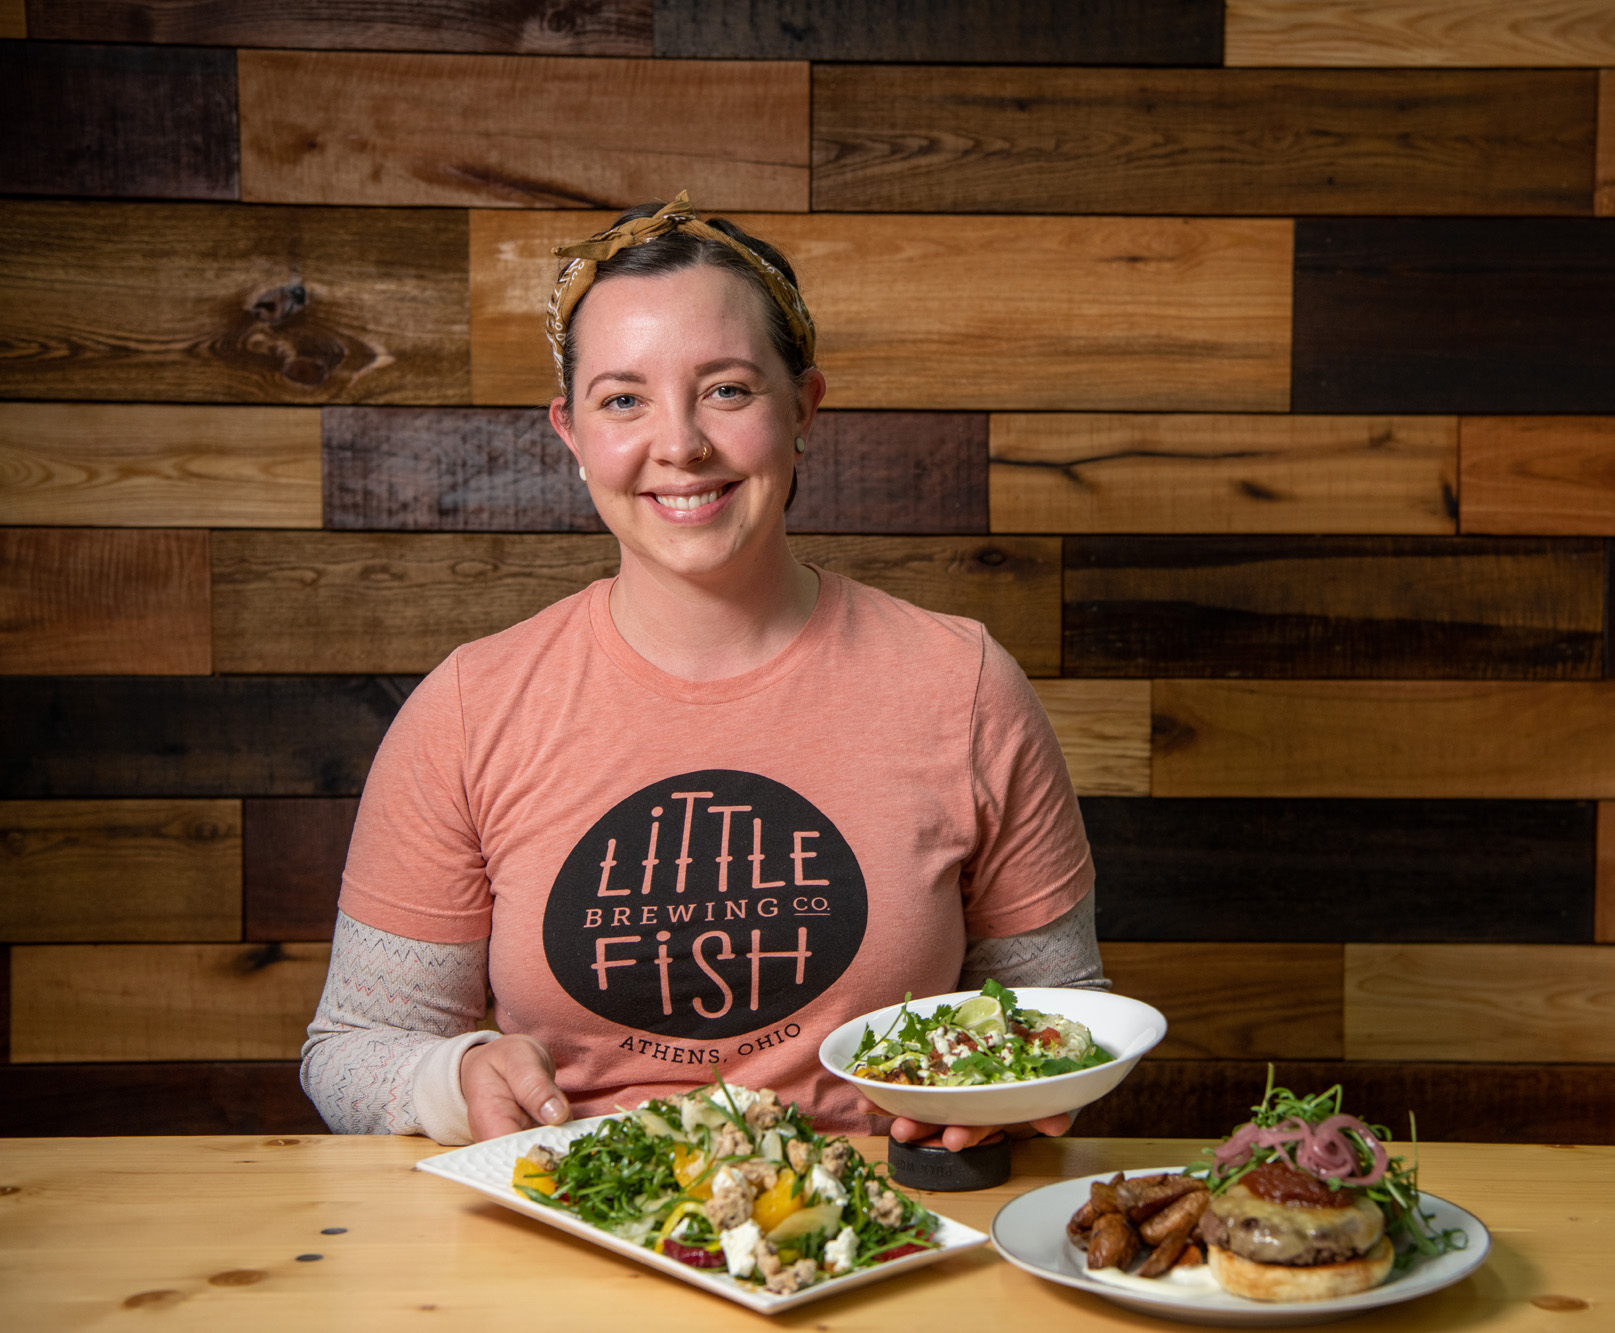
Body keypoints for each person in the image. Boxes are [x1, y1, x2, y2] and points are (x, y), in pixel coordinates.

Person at [301, 194, 1106, 1149]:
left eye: (726, 389)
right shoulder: (472, 709)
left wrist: (994, 1097)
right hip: (572, 1232)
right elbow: (353, 1047)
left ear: (803, 407)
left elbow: (1067, 1013)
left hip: (881, 1239)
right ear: (571, 432)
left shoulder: (962, 684)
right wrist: (455, 1074)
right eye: (623, 399)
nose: (678, 444)